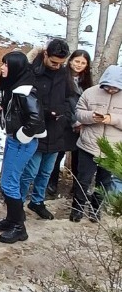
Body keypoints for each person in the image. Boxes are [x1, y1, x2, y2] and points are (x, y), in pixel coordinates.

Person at [0, 51, 46, 243]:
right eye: (2, 63)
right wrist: (3, 109)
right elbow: (19, 113)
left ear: (15, 67)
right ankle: (11, 219)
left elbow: (36, 120)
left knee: (9, 183)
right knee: (8, 181)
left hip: (22, 142)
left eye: (6, 65)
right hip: (15, 139)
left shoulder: (26, 91)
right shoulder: (16, 87)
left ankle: (18, 227)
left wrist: (22, 135)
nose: (2, 68)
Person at [19, 39, 76, 220]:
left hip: (57, 130)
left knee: (46, 172)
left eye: (60, 63)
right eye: (53, 62)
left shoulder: (64, 73)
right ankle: (17, 203)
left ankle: (37, 201)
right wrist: (44, 113)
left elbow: (69, 97)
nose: (56, 66)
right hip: (37, 130)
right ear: (45, 55)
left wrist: (65, 115)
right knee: (30, 172)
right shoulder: (32, 72)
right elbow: (25, 99)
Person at [72, 65, 122, 222]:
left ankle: (96, 209)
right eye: (108, 87)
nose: (111, 90)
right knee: (83, 179)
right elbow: (78, 112)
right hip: (89, 145)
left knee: (104, 181)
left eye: (115, 88)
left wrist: (112, 119)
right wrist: (91, 116)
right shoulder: (90, 92)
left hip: (111, 149)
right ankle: (77, 209)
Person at [47, 49, 93, 196]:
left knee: (78, 157)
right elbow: (65, 101)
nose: (79, 65)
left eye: (83, 63)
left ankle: (77, 186)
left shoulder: (86, 82)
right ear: (71, 61)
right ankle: (52, 183)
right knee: (57, 154)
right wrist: (74, 121)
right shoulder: (61, 76)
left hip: (81, 125)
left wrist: (83, 121)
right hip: (63, 121)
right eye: (77, 61)